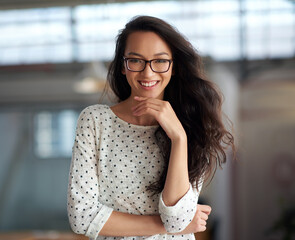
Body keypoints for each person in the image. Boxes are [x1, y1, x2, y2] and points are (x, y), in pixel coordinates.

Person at [67, 15, 234, 240]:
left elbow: (176, 219)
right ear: (123, 66)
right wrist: (167, 225)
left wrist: (178, 137)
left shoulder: (194, 126)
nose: (147, 72)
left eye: (160, 60)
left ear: (173, 67)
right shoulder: (95, 121)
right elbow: (82, 218)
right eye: (136, 60)